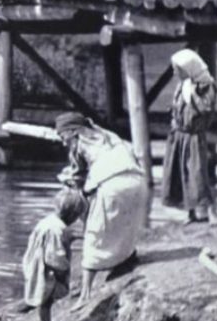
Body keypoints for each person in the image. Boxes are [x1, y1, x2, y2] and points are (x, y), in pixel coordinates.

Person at [54, 113, 147, 308]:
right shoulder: (108, 135)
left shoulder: (78, 144)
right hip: (138, 182)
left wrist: (66, 181)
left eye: (63, 137)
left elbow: (77, 177)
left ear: (72, 131)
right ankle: (126, 257)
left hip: (113, 185)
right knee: (125, 225)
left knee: (94, 233)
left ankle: (85, 294)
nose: (63, 143)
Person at [161, 49, 217, 225]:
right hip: (179, 135)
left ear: (188, 68)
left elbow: (205, 109)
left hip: (194, 137)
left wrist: (193, 94)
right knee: (180, 172)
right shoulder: (183, 84)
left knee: (198, 173)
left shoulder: (206, 86)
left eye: (177, 69)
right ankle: (191, 212)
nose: (174, 72)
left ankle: (211, 212)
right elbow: (177, 106)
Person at [21, 188, 87, 321]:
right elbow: (53, 255)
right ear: (72, 215)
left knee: (44, 297)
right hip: (45, 268)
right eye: (76, 216)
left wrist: (75, 237)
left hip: (34, 262)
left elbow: (43, 240)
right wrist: (62, 269)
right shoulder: (59, 230)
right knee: (46, 300)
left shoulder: (49, 221)